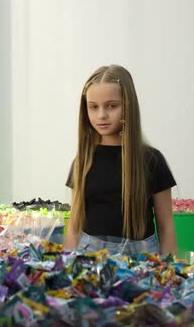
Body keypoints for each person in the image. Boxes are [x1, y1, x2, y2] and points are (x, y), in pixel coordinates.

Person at [63, 65, 177, 256]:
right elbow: (74, 225)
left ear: (128, 106)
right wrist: (64, 266)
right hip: (89, 258)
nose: (101, 115)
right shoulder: (82, 161)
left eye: (111, 106)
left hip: (142, 259)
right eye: (93, 107)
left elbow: (166, 227)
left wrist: (171, 272)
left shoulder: (152, 161)